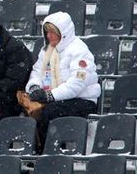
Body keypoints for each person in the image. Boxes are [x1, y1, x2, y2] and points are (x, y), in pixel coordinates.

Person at [26, 11, 101, 152]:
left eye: (52, 33)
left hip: (82, 100)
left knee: (49, 112)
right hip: (55, 99)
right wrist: (35, 87)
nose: (49, 36)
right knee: (30, 110)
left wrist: (50, 96)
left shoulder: (80, 50)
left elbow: (77, 84)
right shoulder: (47, 51)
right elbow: (37, 71)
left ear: (64, 32)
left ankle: (47, 153)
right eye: (47, 32)